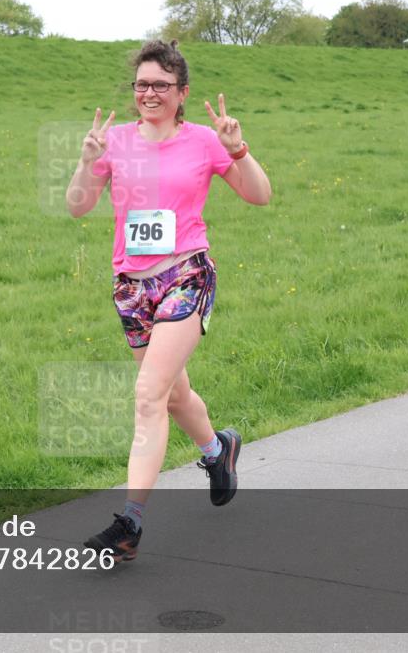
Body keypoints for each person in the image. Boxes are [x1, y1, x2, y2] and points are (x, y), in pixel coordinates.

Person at [66, 39, 272, 562]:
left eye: (161, 84)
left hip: (186, 275)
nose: (149, 93)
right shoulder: (112, 141)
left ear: (182, 93)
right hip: (132, 287)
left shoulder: (204, 141)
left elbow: (259, 195)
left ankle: (129, 523)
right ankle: (216, 449)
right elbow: (77, 206)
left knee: (148, 396)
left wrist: (238, 150)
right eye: (141, 84)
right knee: (174, 396)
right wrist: (86, 162)